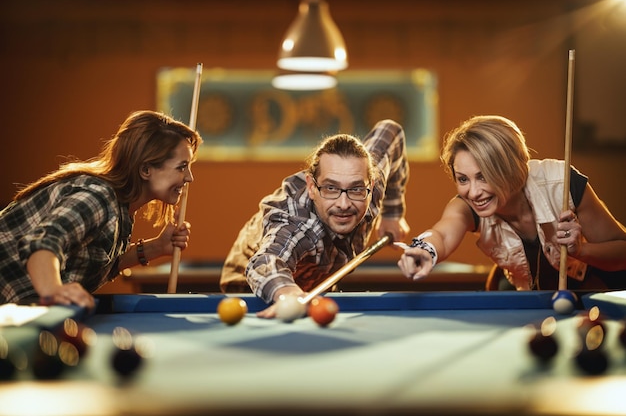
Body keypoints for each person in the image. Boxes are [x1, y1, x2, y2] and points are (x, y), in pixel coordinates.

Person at [398, 115, 626, 291]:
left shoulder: (563, 183)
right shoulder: (465, 207)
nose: (474, 192)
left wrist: (581, 250)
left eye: (484, 176)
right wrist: (425, 250)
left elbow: (622, 252)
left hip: (597, 291)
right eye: (463, 179)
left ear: (511, 168)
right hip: (525, 295)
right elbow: (442, 235)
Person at [0, 110, 202, 308]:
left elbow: (96, 262)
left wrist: (156, 247)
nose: (189, 177)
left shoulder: (120, 207)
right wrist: (53, 291)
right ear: (146, 169)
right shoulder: (98, 197)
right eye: (182, 166)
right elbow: (43, 241)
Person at [221, 119, 411, 318]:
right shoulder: (299, 224)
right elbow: (266, 261)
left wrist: (392, 213)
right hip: (249, 288)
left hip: (313, 282)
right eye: (331, 188)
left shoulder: (369, 182)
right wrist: (287, 292)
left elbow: (391, 132)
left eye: (355, 189)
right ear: (312, 187)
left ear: (371, 185)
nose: (344, 204)